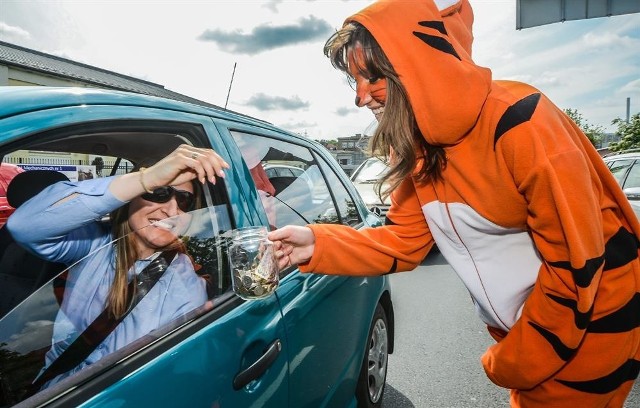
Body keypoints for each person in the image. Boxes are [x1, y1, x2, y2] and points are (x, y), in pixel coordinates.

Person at [268, 0, 640, 406]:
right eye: (353, 80)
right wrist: (315, 243)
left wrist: (513, 361)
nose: (361, 98)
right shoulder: (413, 146)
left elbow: (577, 271)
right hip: (531, 337)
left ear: (421, 63)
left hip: (592, 335)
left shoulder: (521, 120)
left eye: (373, 76)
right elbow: (404, 242)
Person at [7, 145, 229, 388]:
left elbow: (173, 376)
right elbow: (25, 226)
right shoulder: (94, 246)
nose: (172, 210)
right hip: (53, 387)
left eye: (185, 201)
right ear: (131, 195)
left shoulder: (184, 283)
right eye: (158, 192)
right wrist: (148, 177)